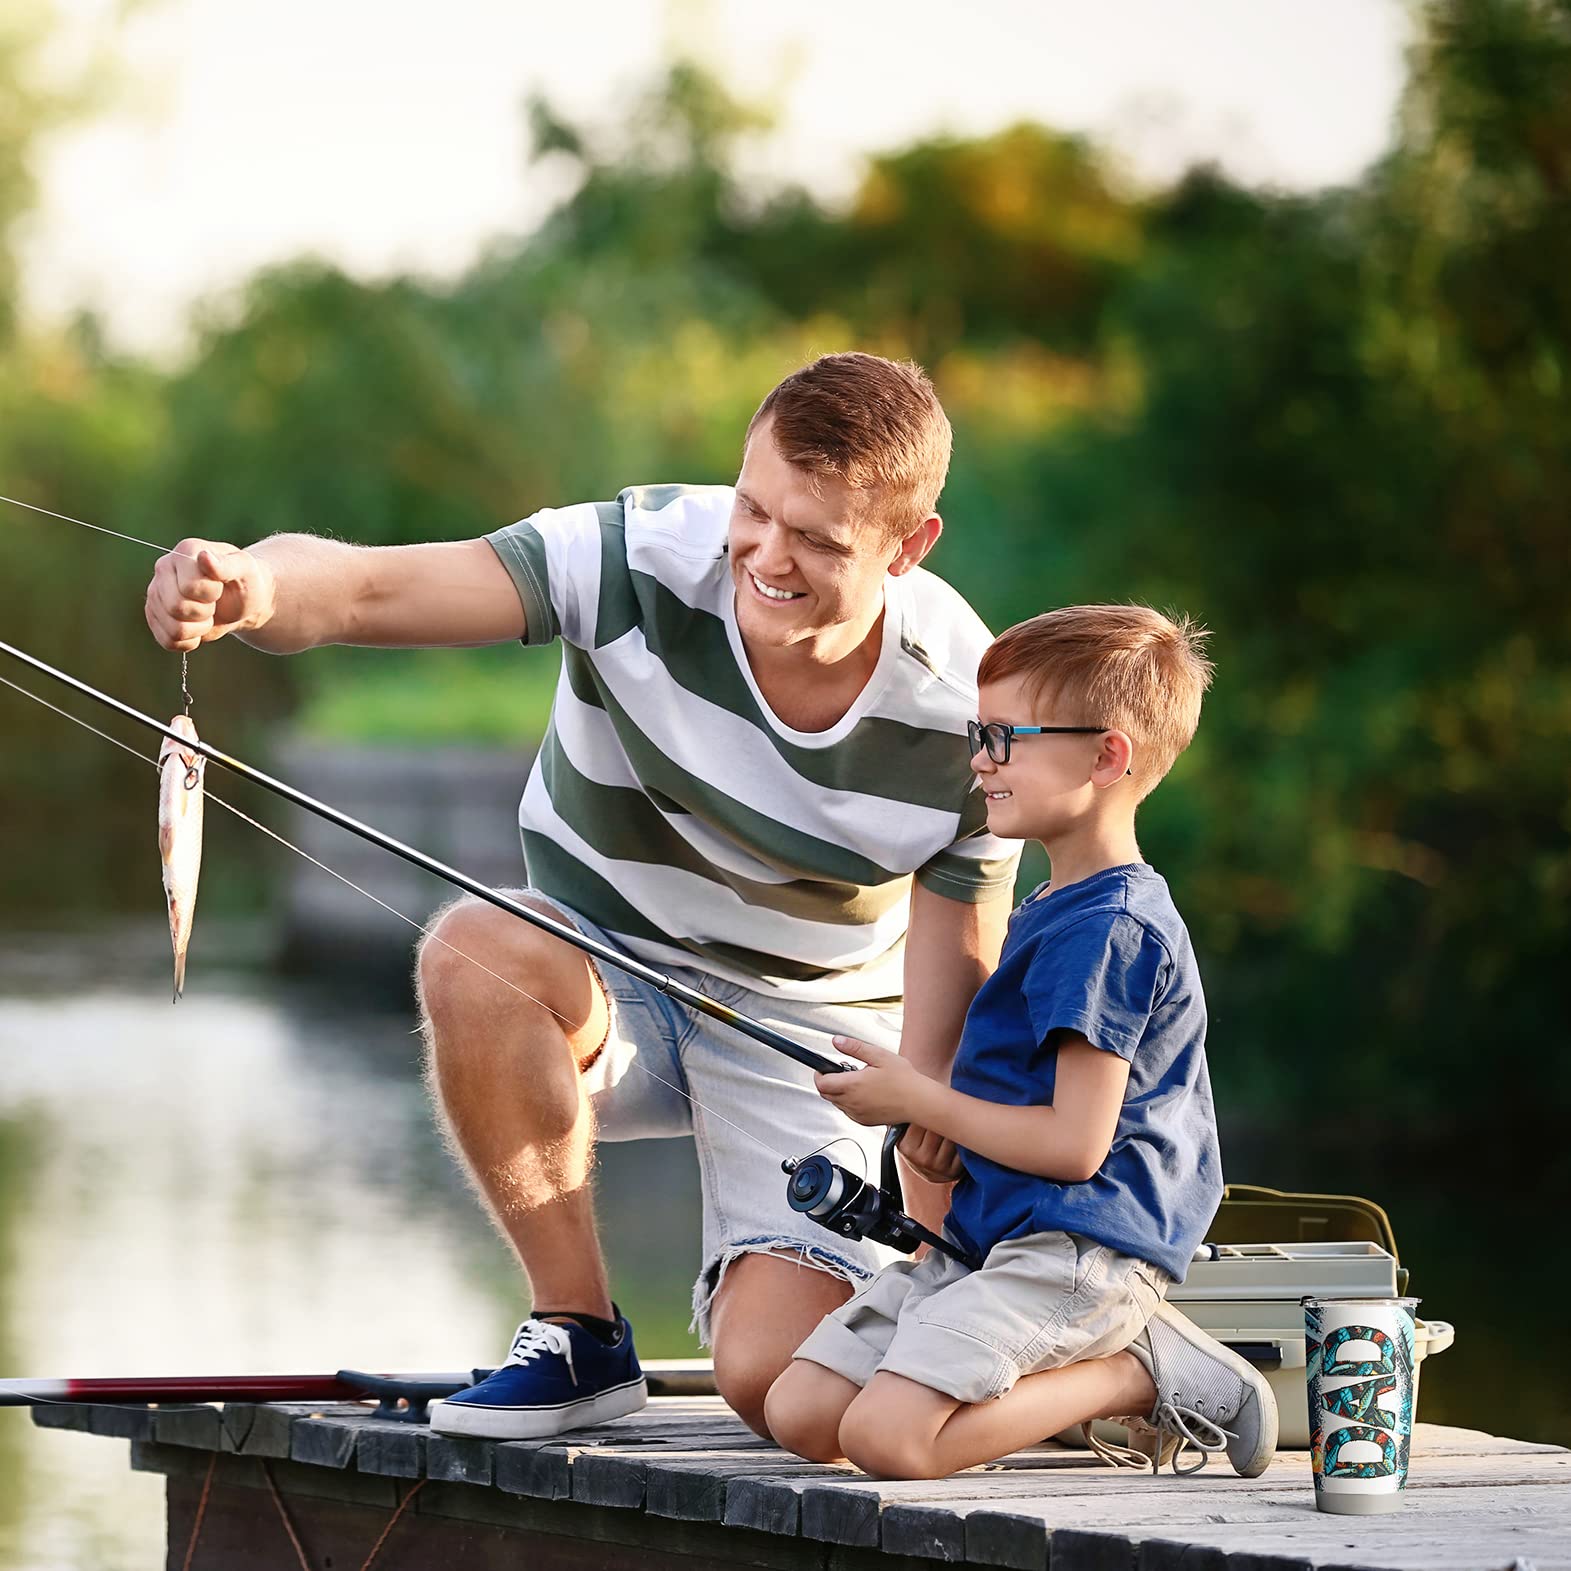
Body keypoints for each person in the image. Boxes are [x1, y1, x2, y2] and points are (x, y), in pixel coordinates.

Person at [142, 353, 1022, 1440]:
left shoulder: (962, 713)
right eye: (753, 507)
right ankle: (577, 1335)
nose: (765, 555)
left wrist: (932, 1144)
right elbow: (367, 586)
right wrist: (250, 587)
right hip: (599, 963)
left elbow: (956, 981)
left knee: (773, 1387)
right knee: (473, 947)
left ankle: (1057, 1354)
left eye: (819, 538)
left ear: (908, 543)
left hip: (814, 1036)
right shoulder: (632, 553)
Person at [764, 604, 1280, 1480]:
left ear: (1106, 755)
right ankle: (1083, 1369)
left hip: (1083, 1247)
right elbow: (1017, 1106)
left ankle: (1137, 1370)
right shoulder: (1055, 906)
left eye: (1004, 738)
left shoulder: (1111, 930)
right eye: (978, 733)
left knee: (888, 1441)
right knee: (802, 1410)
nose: (979, 759)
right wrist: (940, 1127)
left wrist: (918, 1099)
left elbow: (1075, 1148)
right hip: (996, 1239)